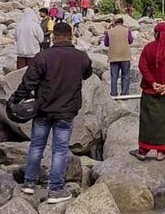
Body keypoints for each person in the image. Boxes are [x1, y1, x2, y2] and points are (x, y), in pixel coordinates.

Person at [14, 23, 93, 204]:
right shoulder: (81, 57)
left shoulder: (43, 56)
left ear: (53, 36)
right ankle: (56, 189)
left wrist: (15, 99)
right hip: (66, 110)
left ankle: (29, 183)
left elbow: (29, 82)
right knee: (60, 150)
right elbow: (87, 73)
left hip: (43, 109)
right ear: (71, 35)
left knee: (36, 146)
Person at [129, 22, 165, 161]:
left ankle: (143, 150)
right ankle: (162, 152)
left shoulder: (149, 48)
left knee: (148, 120)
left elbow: (142, 66)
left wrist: (153, 82)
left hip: (150, 91)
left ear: (156, 33)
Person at [104, 17, 133, 96]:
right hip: (125, 55)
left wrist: (109, 28)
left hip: (113, 56)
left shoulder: (109, 32)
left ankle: (113, 93)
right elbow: (130, 41)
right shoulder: (127, 30)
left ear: (114, 23)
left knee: (114, 76)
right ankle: (124, 93)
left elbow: (106, 43)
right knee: (126, 75)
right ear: (122, 22)